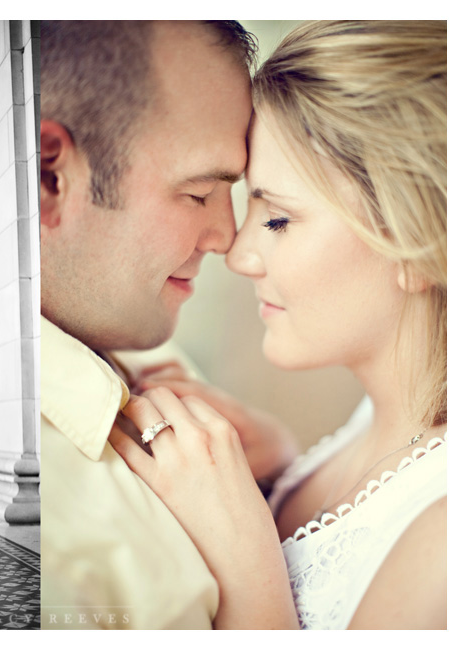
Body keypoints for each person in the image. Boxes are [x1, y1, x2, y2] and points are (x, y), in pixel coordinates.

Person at [111, 20, 446, 630]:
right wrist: (276, 476)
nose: (237, 255)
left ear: (418, 243)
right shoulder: (383, 418)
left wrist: (246, 568)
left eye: (280, 219)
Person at [40, 20, 260, 629]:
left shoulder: (152, 366)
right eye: (198, 194)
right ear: (49, 179)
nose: (228, 239)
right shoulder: (56, 561)